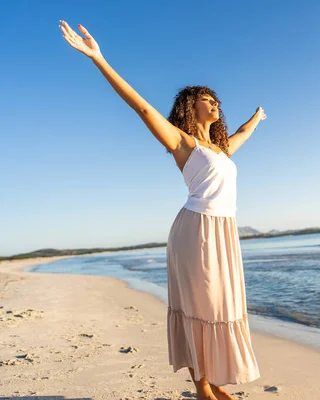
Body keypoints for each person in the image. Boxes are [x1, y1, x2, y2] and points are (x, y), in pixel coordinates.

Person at [59, 20, 266, 400]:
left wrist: (256, 118)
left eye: (216, 99)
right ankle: (202, 387)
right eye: (208, 99)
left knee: (221, 306)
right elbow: (141, 106)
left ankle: (212, 379)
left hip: (224, 232)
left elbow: (241, 136)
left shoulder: (221, 150)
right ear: (192, 106)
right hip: (197, 231)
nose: (215, 103)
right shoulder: (183, 143)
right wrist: (97, 58)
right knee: (196, 306)